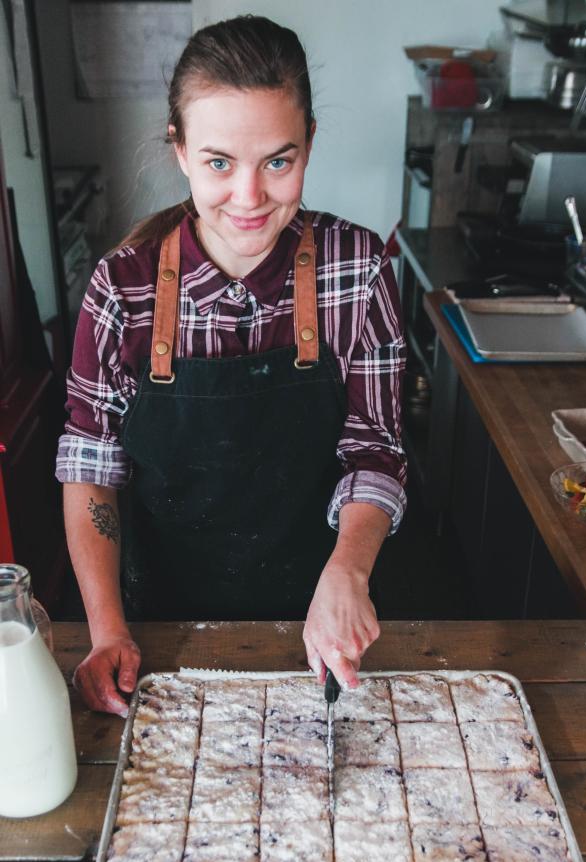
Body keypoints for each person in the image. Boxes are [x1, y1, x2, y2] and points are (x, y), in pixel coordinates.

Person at [56, 15, 406, 717]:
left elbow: (375, 449)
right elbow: (91, 469)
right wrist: (107, 631)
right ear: (179, 151)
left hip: (325, 622)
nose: (248, 197)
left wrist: (349, 569)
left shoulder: (357, 268)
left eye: (278, 160)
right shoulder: (120, 288)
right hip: (160, 627)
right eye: (219, 162)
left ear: (309, 143)